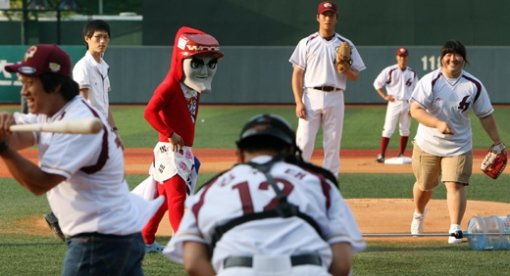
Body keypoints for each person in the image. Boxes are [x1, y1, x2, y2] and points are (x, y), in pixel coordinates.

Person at [0, 44, 162, 275]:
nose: (23, 92)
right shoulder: (52, 113)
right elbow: (20, 134)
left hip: (101, 242)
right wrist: (4, 130)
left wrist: (4, 148)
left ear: (55, 84)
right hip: (116, 236)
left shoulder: (78, 123)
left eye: (30, 83)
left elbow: (40, 183)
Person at [163, 113, 365, 275]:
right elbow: (342, 263)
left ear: (240, 155)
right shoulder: (321, 183)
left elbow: (192, 262)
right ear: (290, 150)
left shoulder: (210, 189)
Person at [409, 40, 505, 244]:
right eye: (448, 55)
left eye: (457, 55)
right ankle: (418, 213)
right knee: (425, 184)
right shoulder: (430, 81)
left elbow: (485, 115)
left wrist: (497, 142)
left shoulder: (473, 85)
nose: (453, 58)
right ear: (442, 58)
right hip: (428, 142)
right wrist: (437, 123)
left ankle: (454, 228)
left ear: (464, 59)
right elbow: (415, 110)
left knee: (456, 184)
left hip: (458, 144)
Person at [141, 26, 224, 253]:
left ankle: (146, 238)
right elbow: (149, 112)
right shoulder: (169, 86)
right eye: (197, 63)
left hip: (182, 151)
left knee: (165, 199)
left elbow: (181, 31)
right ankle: (183, 244)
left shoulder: (193, 86)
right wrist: (170, 133)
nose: (205, 70)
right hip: (170, 150)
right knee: (177, 198)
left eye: (210, 64)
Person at [43, 19, 123, 241]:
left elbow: (105, 103)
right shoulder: (83, 67)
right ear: (86, 39)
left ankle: (62, 217)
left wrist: (114, 130)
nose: (102, 41)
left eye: (105, 37)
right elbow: (84, 104)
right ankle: (65, 218)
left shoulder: (103, 66)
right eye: (97, 37)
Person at [289, 1, 366, 177]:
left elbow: (356, 76)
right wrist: (298, 101)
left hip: (336, 96)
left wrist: (347, 70)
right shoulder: (306, 42)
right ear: (318, 17)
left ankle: (330, 183)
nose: (327, 18)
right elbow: (297, 74)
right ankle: (298, 180)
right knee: (304, 143)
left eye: (331, 15)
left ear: (336, 18)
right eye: (324, 14)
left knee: (332, 144)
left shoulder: (346, 44)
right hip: (311, 96)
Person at [373, 47, 419, 163]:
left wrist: (413, 106)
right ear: (397, 57)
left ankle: (401, 154)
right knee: (388, 129)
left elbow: (417, 91)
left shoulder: (412, 73)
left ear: (407, 57)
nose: (402, 58)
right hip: (394, 103)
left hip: (407, 103)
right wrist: (384, 96)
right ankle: (382, 154)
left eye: (404, 56)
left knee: (405, 130)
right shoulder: (390, 70)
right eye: (400, 56)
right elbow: (377, 84)